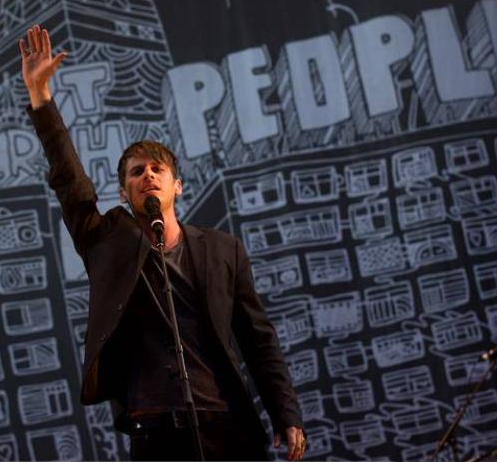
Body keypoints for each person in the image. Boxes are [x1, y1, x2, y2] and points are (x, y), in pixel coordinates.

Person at [19, 25, 305, 461]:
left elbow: (257, 337)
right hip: (154, 427)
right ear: (124, 193)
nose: (147, 176)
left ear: (178, 186)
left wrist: (286, 413)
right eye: (136, 172)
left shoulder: (222, 250)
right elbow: (70, 184)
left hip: (225, 422)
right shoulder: (107, 241)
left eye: (157, 169)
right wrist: (41, 97)